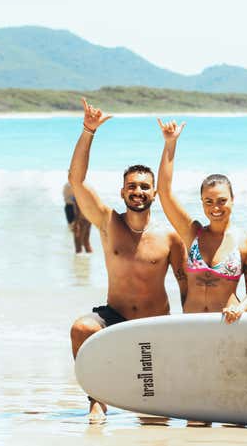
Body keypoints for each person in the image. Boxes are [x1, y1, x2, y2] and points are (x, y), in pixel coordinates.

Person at [68, 98, 185, 421]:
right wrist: (88, 131)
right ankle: (97, 398)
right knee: (80, 328)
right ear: (122, 193)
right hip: (115, 318)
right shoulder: (108, 223)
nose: (138, 191)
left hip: (155, 324)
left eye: (145, 187)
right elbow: (76, 180)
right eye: (131, 186)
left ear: (154, 194)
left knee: (153, 416)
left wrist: (189, 326)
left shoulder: (169, 237)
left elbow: (185, 284)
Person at [157, 118, 247, 320]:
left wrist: (241, 308)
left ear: (233, 199)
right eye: (208, 201)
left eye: (222, 200)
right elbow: (164, 192)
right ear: (202, 202)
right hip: (192, 325)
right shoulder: (193, 233)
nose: (215, 207)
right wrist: (170, 144)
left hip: (228, 324)